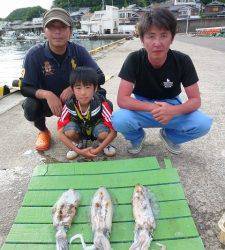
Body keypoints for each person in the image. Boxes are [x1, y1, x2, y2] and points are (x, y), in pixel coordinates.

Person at [112, 8, 212, 155]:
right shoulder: (134, 59)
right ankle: (137, 137)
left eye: (163, 35)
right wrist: (154, 108)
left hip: (171, 105)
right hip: (143, 106)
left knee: (203, 123)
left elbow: (195, 100)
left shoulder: (183, 60)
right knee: (118, 119)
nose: (157, 43)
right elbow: (122, 99)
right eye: (151, 36)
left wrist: (172, 110)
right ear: (142, 39)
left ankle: (170, 136)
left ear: (172, 38)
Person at [20, 8, 106, 151]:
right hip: (48, 103)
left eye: (62, 27)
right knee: (30, 106)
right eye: (52, 27)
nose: (57, 32)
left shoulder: (79, 51)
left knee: (99, 93)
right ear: (44, 31)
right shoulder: (33, 54)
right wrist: (47, 94)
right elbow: (24, 87)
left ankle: (89, 125)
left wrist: (73, 88)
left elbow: (100, 77)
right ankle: (43, 131)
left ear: (70, 31)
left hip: (75, 100)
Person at [58, 66, 117, 160]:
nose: (83, 92)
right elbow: (60, 133)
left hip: (97, 127)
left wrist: (97, 150)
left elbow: (113, 132)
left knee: (104, 134)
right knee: (69, 131)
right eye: (78, 88)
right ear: (72, 90)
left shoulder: (102, 104)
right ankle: (78, 143)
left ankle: (103, 144)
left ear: (95, 88)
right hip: (80, 129)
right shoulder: (69, 105)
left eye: (87, 87)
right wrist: (79, 151)